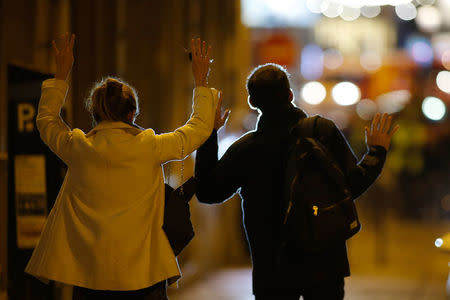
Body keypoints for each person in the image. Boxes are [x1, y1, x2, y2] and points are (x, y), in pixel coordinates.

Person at [25, 33, 218, 300]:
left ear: (95, 113)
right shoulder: (150, 147)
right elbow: (197, 129)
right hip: (144, 276)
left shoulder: (78, 147)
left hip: (89, 276)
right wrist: (201, 79)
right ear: (132, 114)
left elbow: (46, 120)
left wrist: (61, 75)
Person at [194, 63, 399, 300]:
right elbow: (352, 185)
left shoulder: (246, 149)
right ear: (290, 95)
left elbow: (208, 192)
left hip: (273, 271)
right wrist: (376, 153)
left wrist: (209, 136)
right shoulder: (322, 132)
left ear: (252, 102)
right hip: (325, 264)